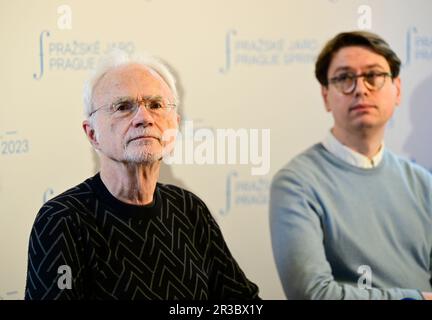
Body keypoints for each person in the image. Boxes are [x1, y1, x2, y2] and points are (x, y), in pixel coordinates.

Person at [25, 50, 259, 300]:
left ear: (175, 125)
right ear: (92, 134)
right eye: (123, 107)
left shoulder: (189, 209)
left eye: (156, 105)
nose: (144, 118)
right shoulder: (63, 220)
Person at [270, 31, 432, 300]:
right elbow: (312, 295)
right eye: (344, 78)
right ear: (325, 96)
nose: (360, 88)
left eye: (373, 76)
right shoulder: (296, 183)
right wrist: (417, 298)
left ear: (397, 90)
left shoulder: (423, 183)